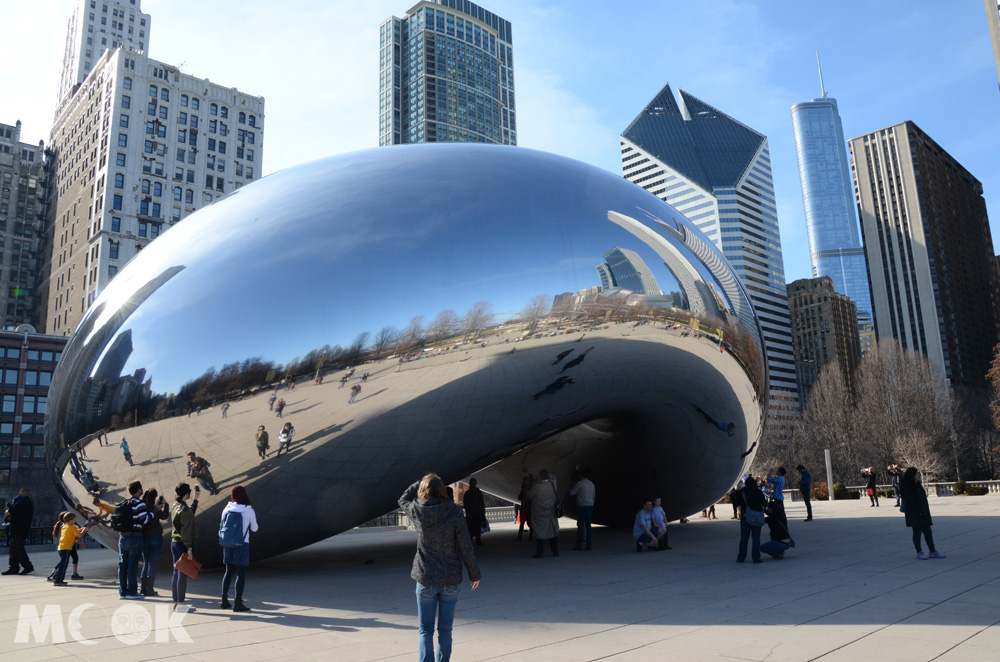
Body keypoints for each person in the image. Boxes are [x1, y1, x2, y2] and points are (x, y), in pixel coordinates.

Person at [399, 474, 481, 662]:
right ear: (443, 490)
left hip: (426, 578)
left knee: (425, 630)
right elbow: (465, 545)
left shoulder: (417, 510)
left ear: (423, 490)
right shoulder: (454, 512)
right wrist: (474, 572)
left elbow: (402, 499)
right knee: (445, 629)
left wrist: (417, 483)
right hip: (450, 579)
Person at [221, 485, 259, 612]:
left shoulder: (227, 508)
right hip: (242, 544)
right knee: (240, 574)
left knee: (228, 572)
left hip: (228, 544)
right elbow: (255, 529)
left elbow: (222, 524)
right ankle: (238, 603)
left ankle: (224, 601)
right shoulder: (249, 510)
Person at [899, 467, 945, 560]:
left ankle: (932, 551)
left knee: (928, 532)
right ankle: (919, 552)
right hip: (914, 513)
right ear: (912, 476)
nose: (919, 476)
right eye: (917, 474)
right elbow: (910, 501)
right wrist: (918, 510)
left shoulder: (918, 485)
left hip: (923, 512)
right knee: (917, 532)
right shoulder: (908, 486)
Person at [118, 480, 153, 599]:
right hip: (135, 537)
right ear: (139, 490)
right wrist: (155, 511)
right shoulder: (139, 503)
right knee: (133, 565)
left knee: (123, 565)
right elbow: (144, 519)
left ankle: (122, 592)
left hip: (123, 537)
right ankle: (132, 592)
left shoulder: (124, 503)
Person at [170, 483, 200, 612]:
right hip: (183, 544)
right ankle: (181, 604)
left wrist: (196, 499)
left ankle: (177, 602)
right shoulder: (184, 509)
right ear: (186, 494)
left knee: (176, 573)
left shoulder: (176, 506)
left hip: (174, 542)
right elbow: (187, 529)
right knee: (182, 574)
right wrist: (189, 548)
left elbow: (188, 516)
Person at [140, 489, 169, 597]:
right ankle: (150, 588)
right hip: (156, 536)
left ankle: (143, 588)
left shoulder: (142, 508)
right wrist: (165, 504)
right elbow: (165, 516)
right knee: (152, 563)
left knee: (146, 562)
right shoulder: (155, 509)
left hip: (144, 537)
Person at [51, 512, 91, 586]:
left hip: (61, 548)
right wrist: (85, 530)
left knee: (63, 564)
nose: (75, 521)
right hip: (66, 548)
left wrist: (81, 529)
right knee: (64, 565)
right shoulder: (72, 527)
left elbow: (73, 532)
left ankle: (56, 577)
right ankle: (58, 580)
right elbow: (80, 536)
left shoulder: (65, 526)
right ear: (70, 520)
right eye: (74, 519)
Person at [528, 469, 559, 558]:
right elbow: (554, 477)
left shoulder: (537, 487)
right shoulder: (553, 484)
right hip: (551, 511)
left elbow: (529, 495)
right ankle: (555, 551)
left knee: (540, 532)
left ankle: (540, 552)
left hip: (539, 512)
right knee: (552, 531)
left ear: (540, 476)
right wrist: (549, 474)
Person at [3, 488, 34, 575]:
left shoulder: (22, 503)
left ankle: (27, 566)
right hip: (22, 530)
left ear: (21, 494)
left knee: (17, 549)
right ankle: (13, 567)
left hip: (17, 530)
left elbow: (9, 512)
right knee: (13, 549)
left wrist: (9, 512)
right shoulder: (28, 503)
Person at [736, 476, 767, 564]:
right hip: (756, 518)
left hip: (745, 517)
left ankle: (741, 558)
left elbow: (737, 503)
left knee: (744, 539)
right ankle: (756, 558)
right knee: (756, 539)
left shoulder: (742, 492)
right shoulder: (758, 492)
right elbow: (764, 503)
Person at [569, 468, 595, 550]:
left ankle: (579, 544)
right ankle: (589, 544)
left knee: (580, 526)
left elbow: (572, 493)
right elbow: (594, 496)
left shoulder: (580, 484)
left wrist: (573, 485)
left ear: (582, 475)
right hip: (590, 505)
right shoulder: (592, 484)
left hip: (582, 506)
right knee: (588, 525)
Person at [462, 478, 486, 546]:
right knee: (471, 527)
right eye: (473, 483)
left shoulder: (478, 492)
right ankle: (470, 540)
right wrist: (468, 512)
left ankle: (478, 539)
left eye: (475, 483)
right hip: (471, 513)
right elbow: (466, 504)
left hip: (478, 513)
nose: (474, 484)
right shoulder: (468, 493)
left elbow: (481, 503)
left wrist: (482, 512)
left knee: (478, 527)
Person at [515, 473, 533, 542]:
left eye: (527, 481)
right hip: (524, 508)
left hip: (528, 508)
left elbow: (532, 479)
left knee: (530, 522)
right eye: (525, 481)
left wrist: (528, 472)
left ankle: (530, 535)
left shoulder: (531, 489)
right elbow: (519, 497)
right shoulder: (523, 490)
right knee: (522, 522)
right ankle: (519, 537)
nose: (526, 482)